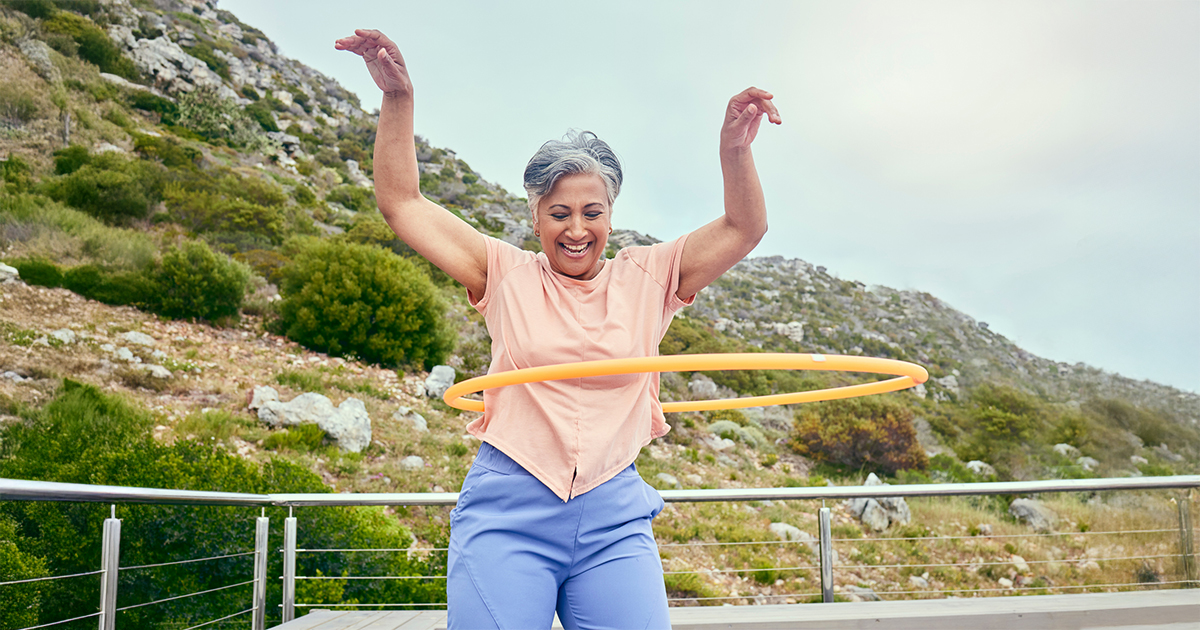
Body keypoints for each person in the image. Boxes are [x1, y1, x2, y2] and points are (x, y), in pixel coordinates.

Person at [336, 28, 781, 630]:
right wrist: (398, 100)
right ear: (535, 215)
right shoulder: (504, 273)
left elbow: (743, 227)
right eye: (560, 213)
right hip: (508, 510)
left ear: (611, 214)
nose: (577, 229)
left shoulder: (651, 276)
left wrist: (735, 148)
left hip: (613, 514)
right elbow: (402, 203)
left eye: (592, 212)